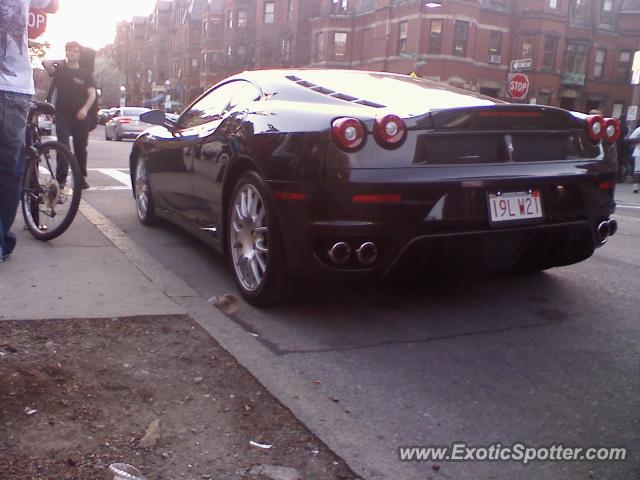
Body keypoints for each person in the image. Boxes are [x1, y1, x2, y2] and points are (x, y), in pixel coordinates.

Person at [0, 0, 59, 262]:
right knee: (10, 170)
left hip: (14, 87)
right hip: (14, 86)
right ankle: (2, 238)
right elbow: (53, 5)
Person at [43, 41, 96, 189]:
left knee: (80, 148)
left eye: (75, 51)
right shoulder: (61, 71)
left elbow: (92, 95)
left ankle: (81, 179)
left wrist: (85, 110)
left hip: (80, 117)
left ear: (79, 54)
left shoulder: (85, 74)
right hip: (62, 116)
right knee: (63, 146)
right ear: (66, 52)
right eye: (69, 51)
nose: (72, 53)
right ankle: (61, 179)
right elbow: (45, 63)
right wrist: (58, 62)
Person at [628, 124, 640, 193]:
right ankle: (635, 186)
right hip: (639, 152)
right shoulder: (639, 129)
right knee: (637, 170)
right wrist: (638, 139)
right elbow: (630, 139)